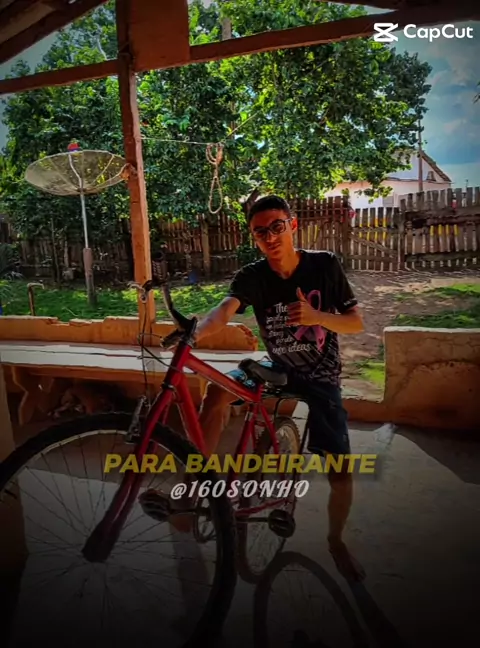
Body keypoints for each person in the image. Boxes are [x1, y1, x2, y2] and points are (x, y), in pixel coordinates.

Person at [194, 194, 365, 582]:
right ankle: (197, 485)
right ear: (253, 237)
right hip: (276, 367)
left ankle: (336, 541)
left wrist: (317, 316)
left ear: (293, 225)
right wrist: (195, 333)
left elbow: (355, 322)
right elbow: (225, 310)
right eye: (261, 232)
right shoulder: (252, 276)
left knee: (340, 468)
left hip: (321, 376)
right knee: (216, 392)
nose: (270, 237)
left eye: (277, 227)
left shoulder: (324, 265)